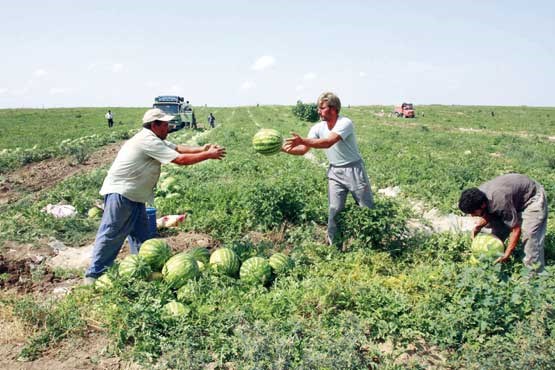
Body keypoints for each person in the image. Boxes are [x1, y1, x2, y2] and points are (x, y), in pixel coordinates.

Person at [84, 108, 226, 283]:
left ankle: (143, 272)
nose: (169, 127)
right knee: (111, 234)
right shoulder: (147, 141)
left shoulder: (155, 138)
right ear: (154, 125)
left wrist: (201, 149)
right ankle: (93, 275)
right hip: (122, 193)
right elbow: (180, 160)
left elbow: (178, 148)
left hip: (135, 195)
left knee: (142, 239)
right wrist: (208, 155)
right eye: (165, 124)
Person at [282, 91, 374, 246]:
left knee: (366, 207)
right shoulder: (318, 127)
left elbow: (328, 142)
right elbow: (303, 150)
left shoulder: (345, 123)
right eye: (318, 108)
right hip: (335, 172)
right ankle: (334, 246)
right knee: (334, 209)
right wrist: (282, 149)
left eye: (322, 108)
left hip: (353, 169)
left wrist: (302, 140)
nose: (318, 111)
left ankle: (372, 242)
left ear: (333, 109)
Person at [458, 173, 548, 272]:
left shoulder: (499, 202)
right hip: (512, 198)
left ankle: (534, 276)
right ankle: (490, 264)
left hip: (532, 197)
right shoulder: (478, 196)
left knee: (530, 236)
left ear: (482, 205)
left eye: (473, 212)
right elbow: (488, 212)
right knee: (493, 228)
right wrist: (479, 226)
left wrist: (507, 253)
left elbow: (516, 229)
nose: (472, 215)